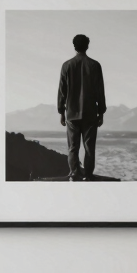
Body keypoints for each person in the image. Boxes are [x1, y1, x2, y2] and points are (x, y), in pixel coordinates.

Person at [57, 34, 106, 181]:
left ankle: (73, 173)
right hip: (90, 113)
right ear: (87, 46)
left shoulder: (66, 65)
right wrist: (101, 111)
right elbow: (100, 91)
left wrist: (61, 111)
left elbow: (62, 91)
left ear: (74, 46)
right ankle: (88, 175)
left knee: (73, 147)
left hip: (71, 113)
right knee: (89, 148)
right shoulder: (95, 65)